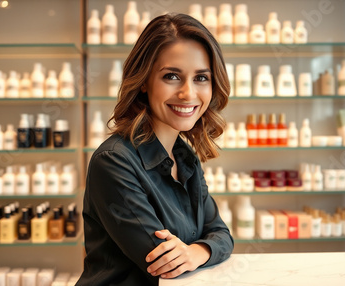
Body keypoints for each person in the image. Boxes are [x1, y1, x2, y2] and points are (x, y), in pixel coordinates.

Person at [77, 13, 233, 286]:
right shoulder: (114, 161)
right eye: (172, 76)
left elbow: (220, 233)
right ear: (144, 82)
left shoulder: (185, 157)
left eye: (201, 78)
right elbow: (162, 262)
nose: (188, 93)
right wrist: (194, 251)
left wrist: (197, 251)